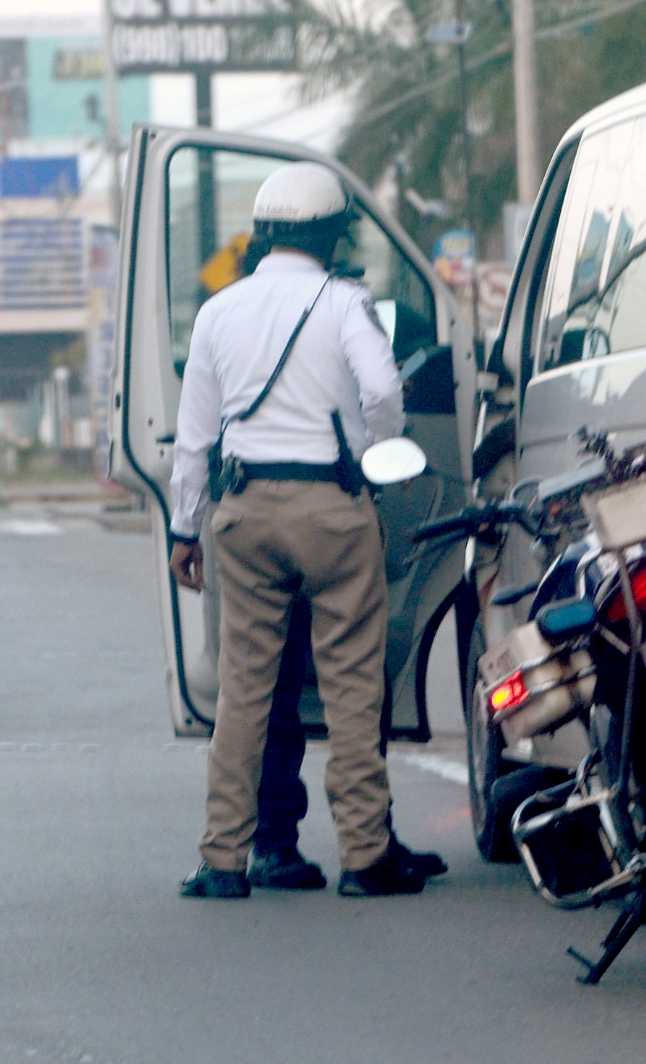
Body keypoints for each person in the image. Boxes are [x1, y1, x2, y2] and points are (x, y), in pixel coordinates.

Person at [167, 160, 440, 898]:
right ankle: (363, 854)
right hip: (331, 505)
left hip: (244, 511)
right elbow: (383, 392)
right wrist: (372, 446)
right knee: (353, 686)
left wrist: (183, 530)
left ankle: (225, 859)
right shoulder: (344, 302)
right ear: (331, 235)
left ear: (262, 236)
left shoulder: (218, 312)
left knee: (244, 691)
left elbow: (195, 438)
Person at [248, 597, 447, 890]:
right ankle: (365, 844)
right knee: (355, 674)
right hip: (333, 557)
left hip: (268, 558)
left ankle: (271, 843)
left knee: (275, 675)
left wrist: (184, 547)